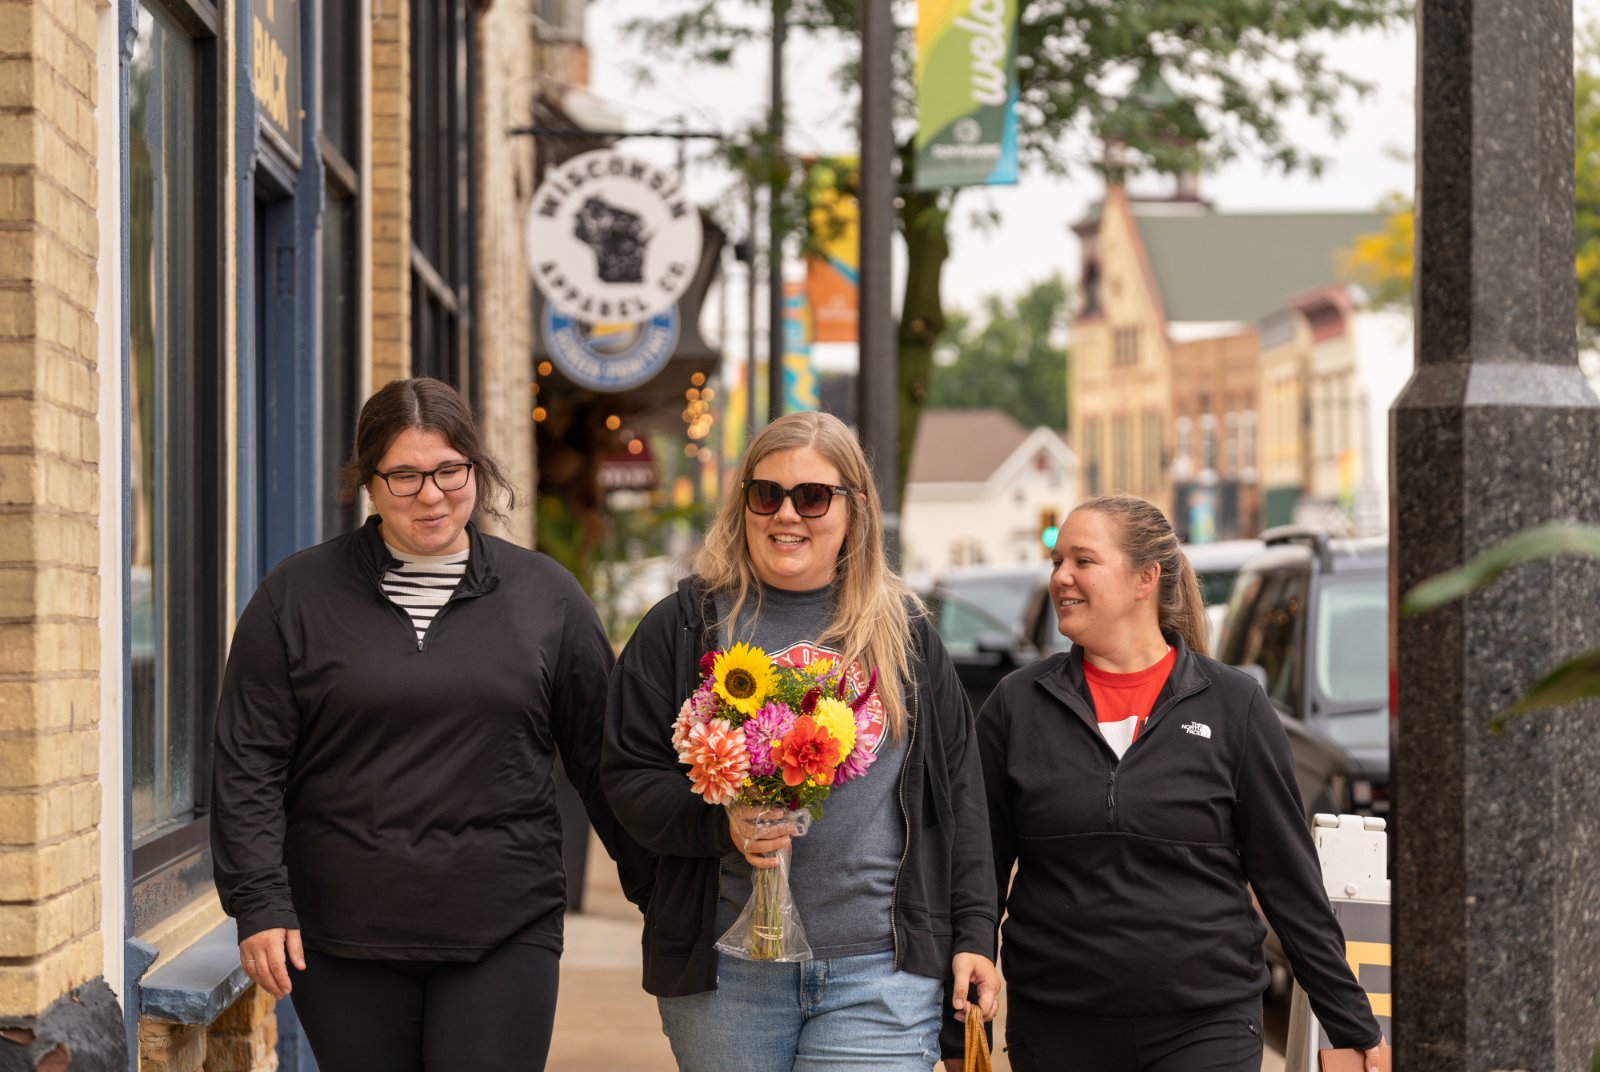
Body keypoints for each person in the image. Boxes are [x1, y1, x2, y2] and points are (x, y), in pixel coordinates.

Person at [211, 377, 654, 1072]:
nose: (431, 494)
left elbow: (605, 761)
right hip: (344, 934)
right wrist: (259, 902)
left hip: (506, 926)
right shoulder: (295, 596)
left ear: (476, 468)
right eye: (405, 476)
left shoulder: (545, 597)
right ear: (367, 480)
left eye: (450, 471)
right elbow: (248, 761)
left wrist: (660, 888)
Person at [602, 411, 1001, 1071]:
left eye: (812, 496)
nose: (787, 514)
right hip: (729, 978)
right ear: (744, 507)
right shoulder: (686, 627)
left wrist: (974, 935)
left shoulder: (903, 634)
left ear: (855, 509)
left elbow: (960, 799)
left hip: (881, 975)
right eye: (766, 494)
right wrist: (718, 827)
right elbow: (627, 777)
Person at [977, 494, 1385, 1072]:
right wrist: (956, 1009)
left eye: (1083, 561)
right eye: (1057, 562)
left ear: (1146, 578)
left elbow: (1288, 880)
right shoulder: (1017, 707)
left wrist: (1352, 1026)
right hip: (1057, 1029)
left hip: (1207, 1028)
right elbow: (979, 873)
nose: (1061, 577)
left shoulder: (1234, 705)